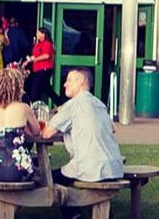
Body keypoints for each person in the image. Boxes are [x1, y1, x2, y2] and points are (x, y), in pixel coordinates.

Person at [42, 67, 124, 219]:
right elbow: (113, 129)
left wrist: (63, 127)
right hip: (114, 167)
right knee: (66, 175)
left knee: (50, 178)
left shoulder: (72, 105)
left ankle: (74, 215)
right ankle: (107, 214)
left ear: (80, 82)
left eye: (69, 80)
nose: (65, 84)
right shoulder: (99, 104)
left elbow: (47, 133)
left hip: (90, 167)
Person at [0, 68, 40, 219]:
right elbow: (36, 131)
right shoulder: (24, 108)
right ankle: (8, 212)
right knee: (34, 177)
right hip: (19, 167)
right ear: (17, 87)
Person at [23, 27, 62, 106]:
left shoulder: (47, 43)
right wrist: (27, 61)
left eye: (38, 33)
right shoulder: (38, 44)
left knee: (35, 89)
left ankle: (34, 106)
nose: (37, 34)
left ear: (43, 34)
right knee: (47, 89)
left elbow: (46, 55)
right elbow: (34, 55)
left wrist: (36, 59)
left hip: (44, 69)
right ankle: (60, 103)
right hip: (38, 69)